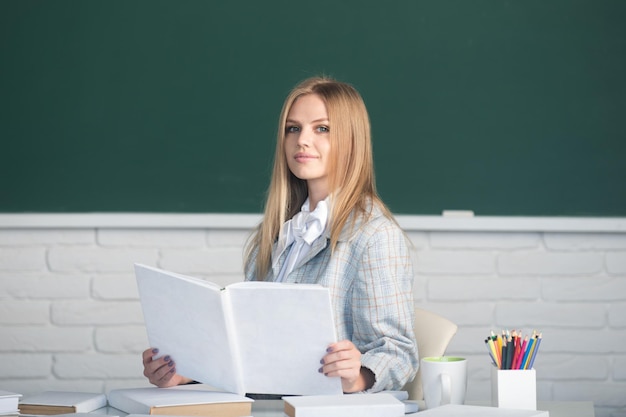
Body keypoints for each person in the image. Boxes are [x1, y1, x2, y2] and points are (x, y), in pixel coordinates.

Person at [142, 76, 418, 393]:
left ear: (352, 139)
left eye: (322, 128)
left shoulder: (374, 234)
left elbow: (399, 353)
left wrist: (357, 376)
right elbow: (255, 349)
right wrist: (187, 373)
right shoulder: (276, 232)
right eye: (293, 128)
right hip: (265, 405)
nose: (302, 140)